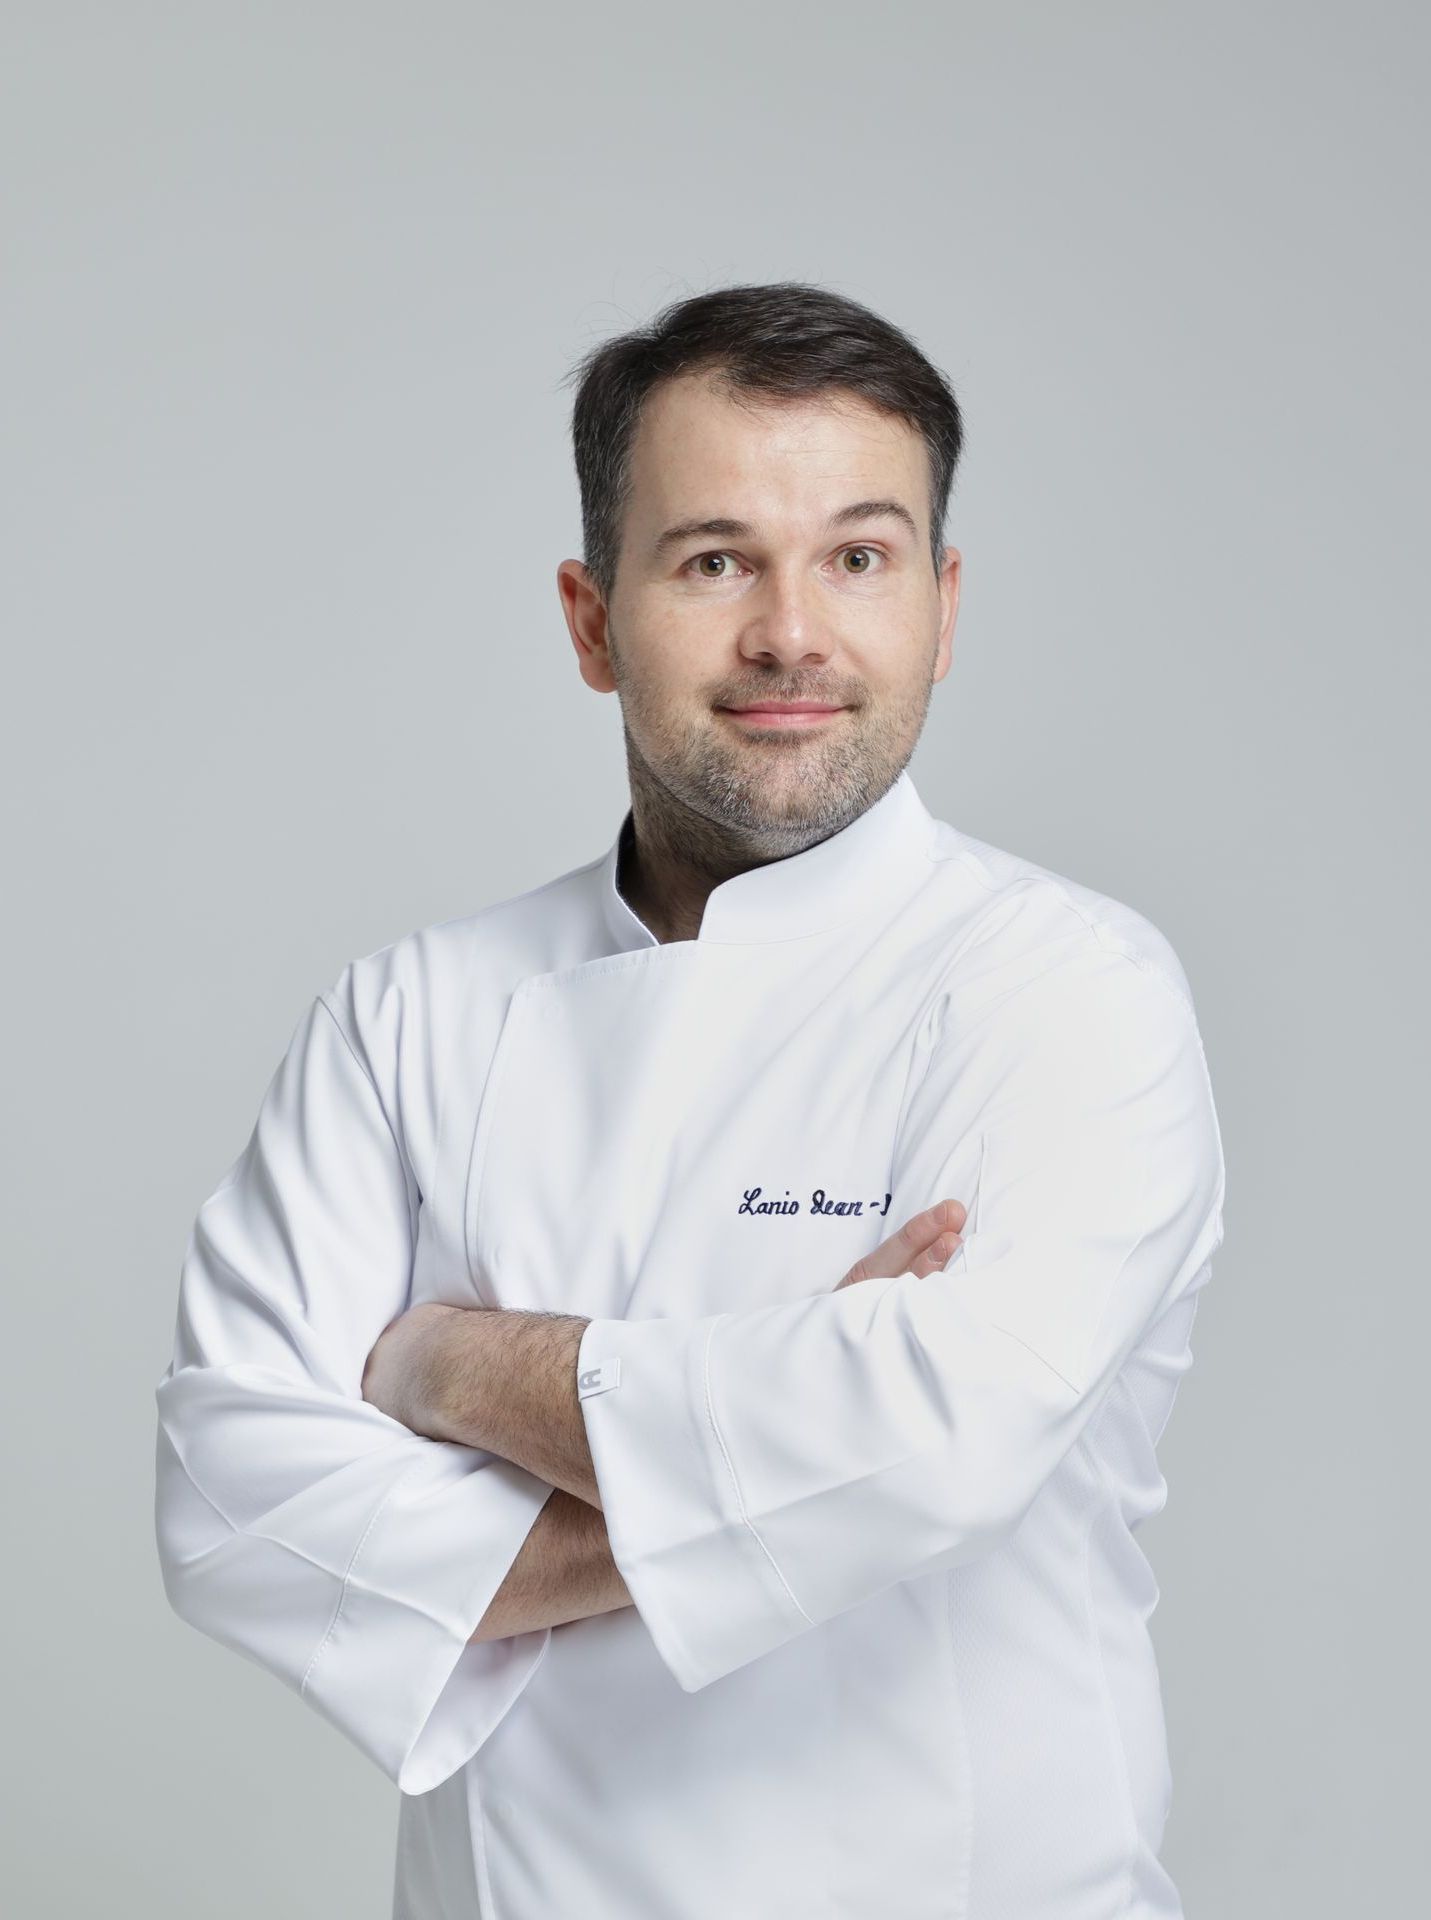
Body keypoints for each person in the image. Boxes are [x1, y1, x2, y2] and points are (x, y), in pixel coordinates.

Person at [154, 281, 1225, 1920]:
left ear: (942, 607)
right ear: (591, 622)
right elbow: (232, 1500)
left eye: (857, 558)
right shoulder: (412, 1017)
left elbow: (940, 1433)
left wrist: (449, 1364)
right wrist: (781, 1438)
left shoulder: (1067, 989)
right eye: (714, 558)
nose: (790, 632)